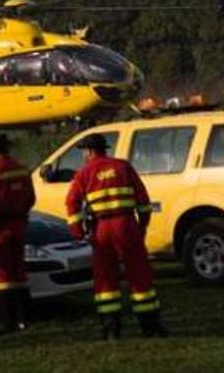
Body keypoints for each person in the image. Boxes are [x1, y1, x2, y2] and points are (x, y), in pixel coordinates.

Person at [65, 134, 167, 340]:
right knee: (139, 275)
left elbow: (71, 203)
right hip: (127, 226)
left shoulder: (84, 173)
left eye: (84, 152)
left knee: (105, 279)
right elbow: (143, 200)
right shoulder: (123, 167)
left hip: (102, 230)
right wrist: (142, 226)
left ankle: (111, 330)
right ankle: (150, 327)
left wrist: (79, 231)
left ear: (90, 151)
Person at [0, 133, 36, 334]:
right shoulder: (21, 169)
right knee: (19, 271)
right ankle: (24, 319)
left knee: (1, 275)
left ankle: (8, 322)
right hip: (18, 224)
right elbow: (30, 198)